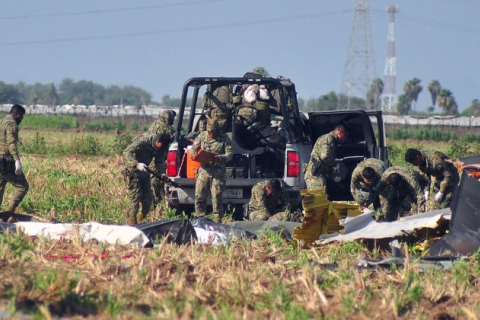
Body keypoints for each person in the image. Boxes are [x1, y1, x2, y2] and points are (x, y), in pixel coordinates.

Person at [122, 134, 171, 225]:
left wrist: (162, 173)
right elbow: (126, 152)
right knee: (135, 198)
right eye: (161, 146)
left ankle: (140, 220)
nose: (161, 150)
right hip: (132, 172)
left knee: (148, 199)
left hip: (144, 172)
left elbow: (159, 161)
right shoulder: (143, 141)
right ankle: (131, 223)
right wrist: (136, 164)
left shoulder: (160, 148)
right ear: (158, 142)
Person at [192, 118, 233, 222]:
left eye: (213, 132)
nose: (211, 134)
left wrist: (219, 157)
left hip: (218, 171)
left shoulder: (224, 138)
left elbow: (230, 155)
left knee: (216, 196)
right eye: (209, 132)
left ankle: (218, 220)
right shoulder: (202, 136)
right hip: (204, 170)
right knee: (199, 195)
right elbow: (194, 149)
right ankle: (200, 219)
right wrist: (193, 155)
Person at [0, 104, 29, 221]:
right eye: (21, 117)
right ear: (17, 114)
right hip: (6, 160)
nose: (21, 119)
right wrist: (17, 160)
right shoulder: (12, 124)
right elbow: (11, 143)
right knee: (22, 186)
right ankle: (8, 213)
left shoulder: (1, 121)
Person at [305, 124, 348, 190]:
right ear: (340, 132)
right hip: (316, 175)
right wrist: (335, 165)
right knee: (318, 198)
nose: (344, 139)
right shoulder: (328, 139)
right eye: (344, 136)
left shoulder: (329, 139)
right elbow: (325, 157)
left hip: (318, 173)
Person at [146, 110, 176, 206]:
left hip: (150, 157)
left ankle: (154, 203)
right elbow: (174, 139)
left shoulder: (154, 124)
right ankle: (158, 203)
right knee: (159, 180)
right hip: (159, 158)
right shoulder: (166, 128)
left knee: (152, 180)